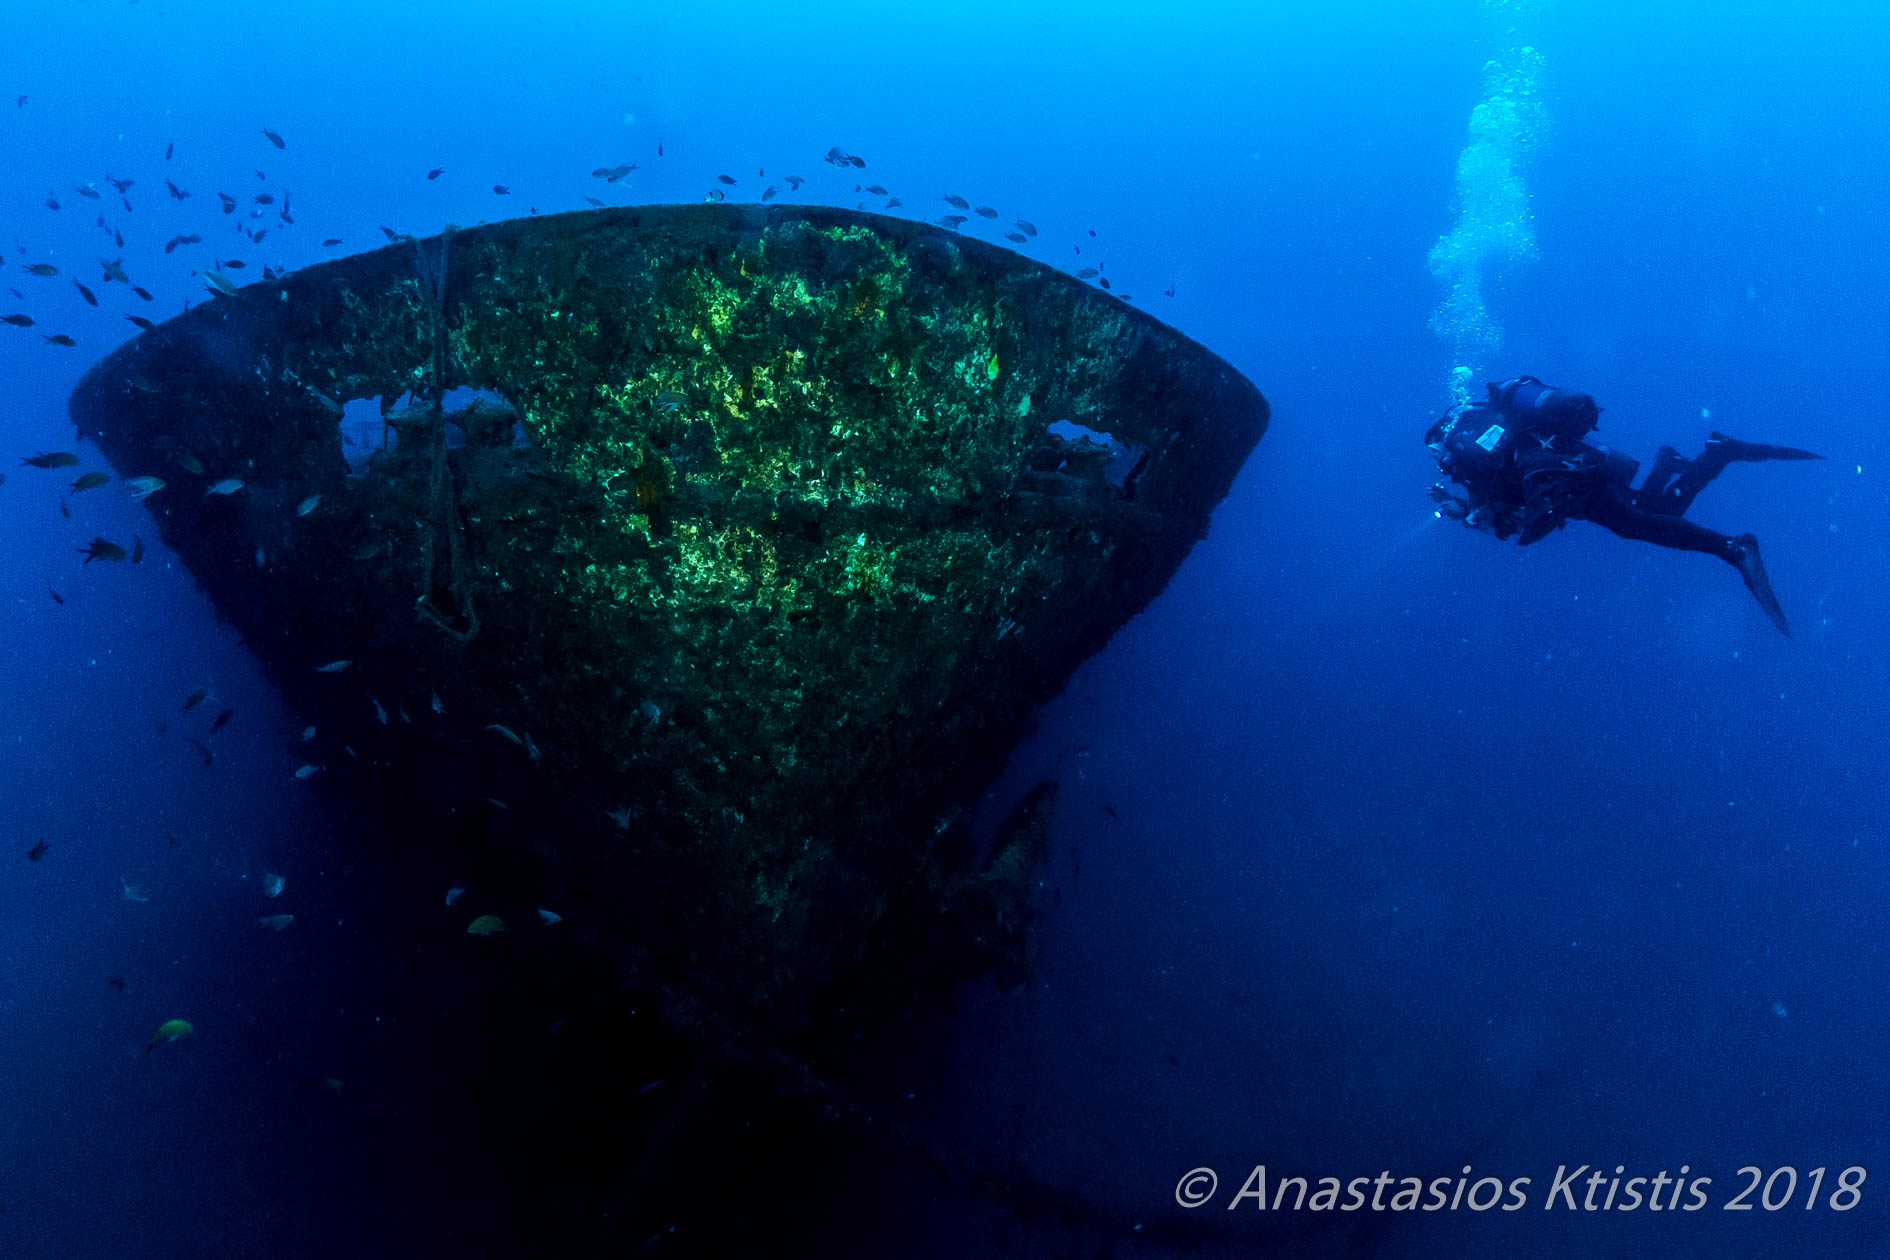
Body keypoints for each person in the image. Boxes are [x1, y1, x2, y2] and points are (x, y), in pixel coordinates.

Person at [1426, 376, 1823, 636]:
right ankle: (1715, 455)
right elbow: (1507, 512)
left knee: (1639, 523)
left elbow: (1503, 520)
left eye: (1439, 457)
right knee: (1654, 514)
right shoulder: (1491, 432)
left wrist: (1464, 513)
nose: (1442, 464)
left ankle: (1733, 547)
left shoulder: (1471, 460)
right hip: (1577, 468)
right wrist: (1466, 511)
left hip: (1568, 483)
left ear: (1444, 447)